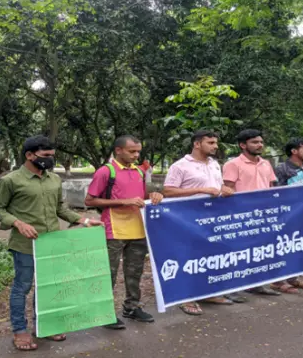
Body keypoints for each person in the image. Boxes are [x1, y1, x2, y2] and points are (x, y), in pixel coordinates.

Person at [0, 136, 103, 351]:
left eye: (52, 155)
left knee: (49, 287)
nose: (50, 159)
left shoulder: (54, 179)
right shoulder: (10, 181)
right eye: (45, 156)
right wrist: (17, 223)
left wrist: (84, 220)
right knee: (22, 287)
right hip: (25, 245)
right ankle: (19, 330)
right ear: (29, 155)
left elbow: (60, 208)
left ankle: (45, 326)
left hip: (52, 243)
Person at [85, 135, 163, 330]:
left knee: (134, 271)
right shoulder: (106, 171)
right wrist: (123, 202)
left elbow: (143, 196)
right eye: (132, 151)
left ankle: (132, 307)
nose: (136, 155)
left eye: (138, 151)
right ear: (118, 150)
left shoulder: (138, 171)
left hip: (138, 228)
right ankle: (105, 313)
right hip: (113, 230)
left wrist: (155, 195)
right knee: (108, 273)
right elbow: (90, 200)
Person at [162, 130, 236, 315]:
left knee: (208, 257)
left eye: (215, 143)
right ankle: (185, 297)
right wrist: (200, 189)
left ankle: (206, 292)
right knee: (188, 258)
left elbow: (216, 188)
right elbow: (168, 191)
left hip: (212, 219)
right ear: (197, 144)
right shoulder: (180, 166)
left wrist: (224, 189)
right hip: (187, 221)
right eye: (210, 142)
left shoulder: (215, 164)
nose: (215, 146)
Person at [222, 129, 283, 297]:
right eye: (255, 142)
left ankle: (257, 284)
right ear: (243, 145)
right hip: (242, 216)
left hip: (263, 215)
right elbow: (228, 189)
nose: (260, 145)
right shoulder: (233, 164)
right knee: (237, 252)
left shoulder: (266, 164)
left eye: (261, 142)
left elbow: (270, 187)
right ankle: (230, 288)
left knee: (260, 250)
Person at [271, 138, 303, 291]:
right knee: (283, 246)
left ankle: (294, 277)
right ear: (294, 151)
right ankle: (278, 280)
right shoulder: (282, 169)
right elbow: (275, 193)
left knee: (298, 246)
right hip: (286, 215)